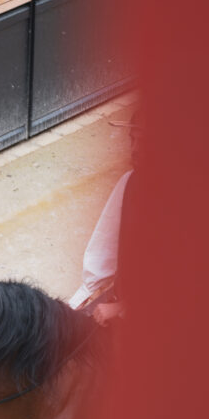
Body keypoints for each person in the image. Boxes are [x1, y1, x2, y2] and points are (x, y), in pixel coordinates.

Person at [69, 111, 142, 324]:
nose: (135, 149)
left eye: (145, 142)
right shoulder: (130, 182)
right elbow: (104, 249)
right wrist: (78, 302)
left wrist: (122, 307)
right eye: (132, 139)